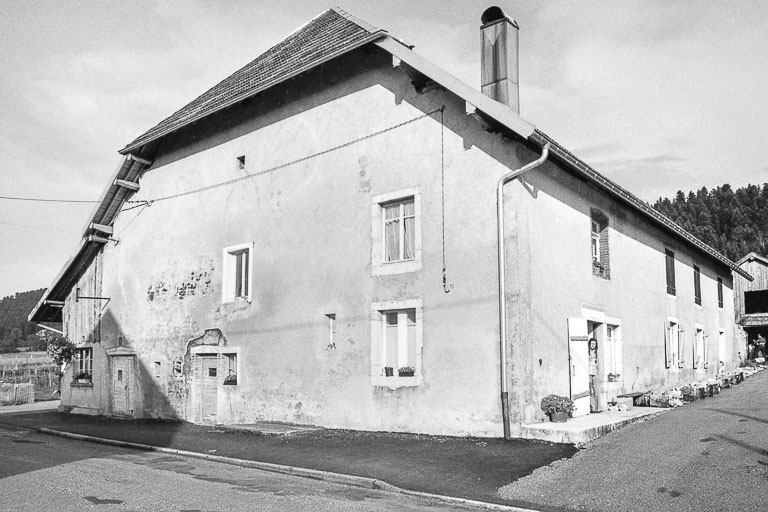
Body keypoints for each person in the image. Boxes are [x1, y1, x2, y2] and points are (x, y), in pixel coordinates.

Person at [588, 338, 599, 412]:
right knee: (590, 391)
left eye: (594, 344)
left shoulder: (597, 353)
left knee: (596, 390)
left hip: (595, 373)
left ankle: (596, 408)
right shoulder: (587, 352)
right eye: (592, 343)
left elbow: (598, 363)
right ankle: (592, 408)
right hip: (588, 373)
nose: (593, 345)